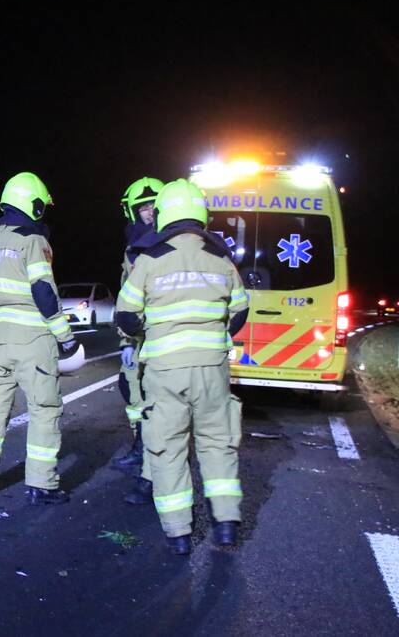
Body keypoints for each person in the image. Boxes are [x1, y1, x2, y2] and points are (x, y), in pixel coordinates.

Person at [114, 179, 249, 555]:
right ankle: (225, 525)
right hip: (212, 370)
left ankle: (179, 534)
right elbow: (240, 310)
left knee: (168, 448)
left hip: (166, 371)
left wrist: (146, 331)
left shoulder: (148, 259)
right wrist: (215, 333)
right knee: (218, 445)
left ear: (163, 215)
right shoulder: (221, 258)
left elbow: (126, 315)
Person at [0, 172, 81, 504]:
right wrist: (67, 338)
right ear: (32, 205)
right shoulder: (33, 241)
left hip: (0, 343)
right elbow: (44, 292)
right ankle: (41, 485)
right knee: (45, 410)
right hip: (33, 341)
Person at [112, 178, 164, 508]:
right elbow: (126, 294)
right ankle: (140, 446)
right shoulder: (133, 246)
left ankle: (153, 467)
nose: (147, 212)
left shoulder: (166, 241)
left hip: (161, 335)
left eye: (151, 205)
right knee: (130, 387)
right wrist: (126, 340)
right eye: (141, 206)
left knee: (159, 402)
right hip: (138, 333)